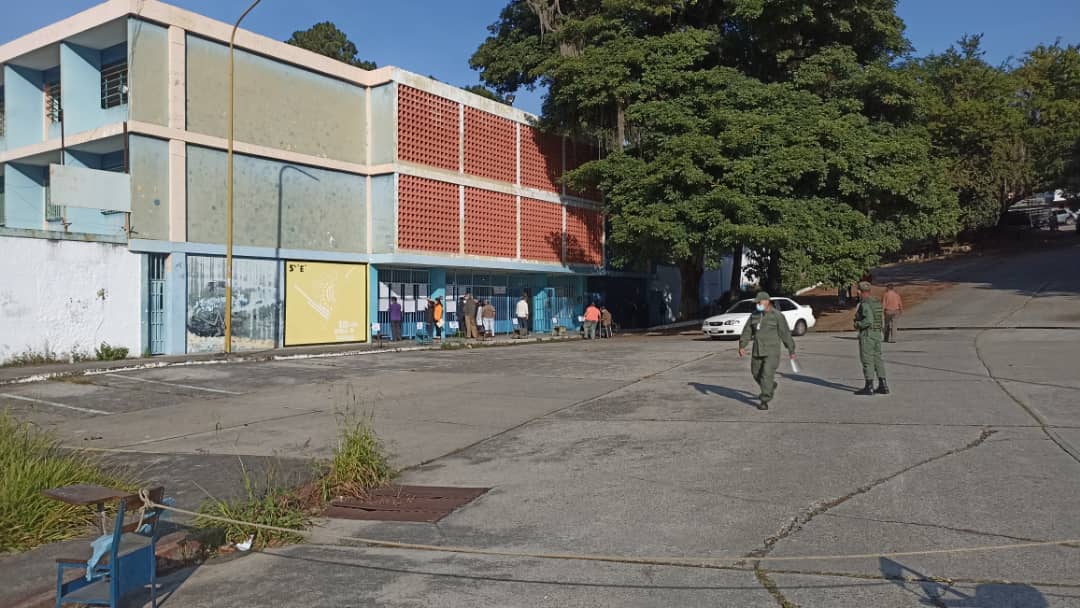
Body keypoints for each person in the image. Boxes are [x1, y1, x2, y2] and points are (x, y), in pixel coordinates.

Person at [738, 292, 796, 411]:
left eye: (760, 302)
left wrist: (791, 349)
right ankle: (770, 386)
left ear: (767, 301)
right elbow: (747, 330)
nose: (757, 304)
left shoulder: (777, 315)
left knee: (767, 374)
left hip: (772, 351)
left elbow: (785, 332)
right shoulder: (754, 315)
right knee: (755, 373)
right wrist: (742, 345)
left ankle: (764, 400)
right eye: (757, 303)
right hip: (757, 350)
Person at [854, 281, 888, 395]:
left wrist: (858, 324)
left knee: (867, 360)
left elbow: (868, 320)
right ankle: (883, 384)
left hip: (867, 334)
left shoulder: (865, 304)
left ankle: (869, 386)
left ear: (859, 291)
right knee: (877, 359)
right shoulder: (876, 302)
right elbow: (879, 318)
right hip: (876, 334)